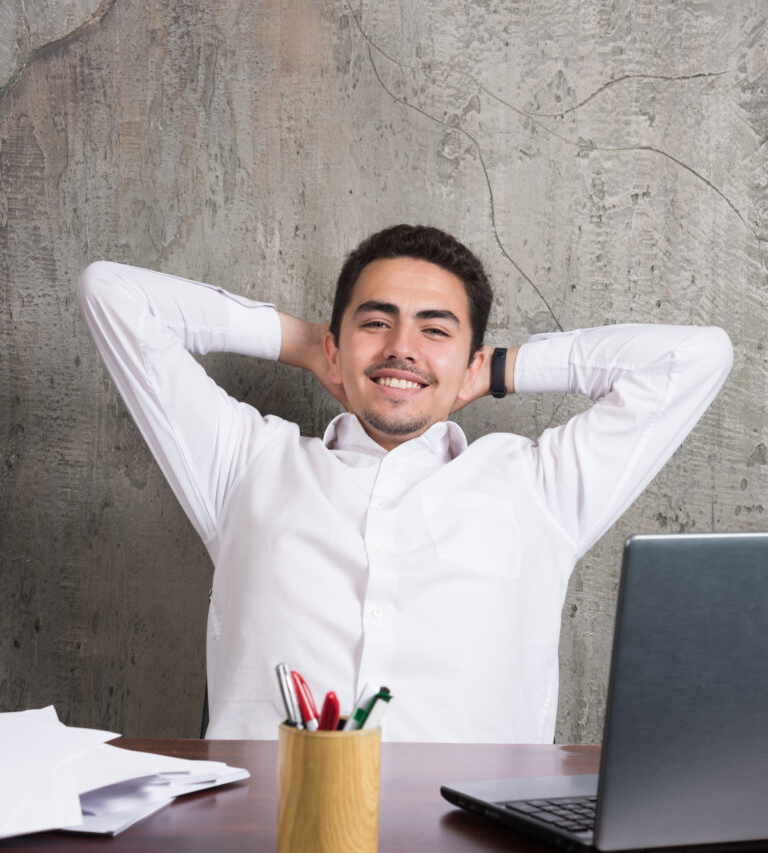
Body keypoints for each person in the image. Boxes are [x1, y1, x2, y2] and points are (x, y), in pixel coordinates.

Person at [77, 224, 732, 743]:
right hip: (261, 844)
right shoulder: (245, 464)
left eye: (434, 330)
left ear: (470, 360)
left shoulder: (538, 486)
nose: (401, 347)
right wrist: (309, 342)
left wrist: (501, 368)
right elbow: (112, 293)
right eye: (375, 322)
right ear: (337, 347)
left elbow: (695, 357)